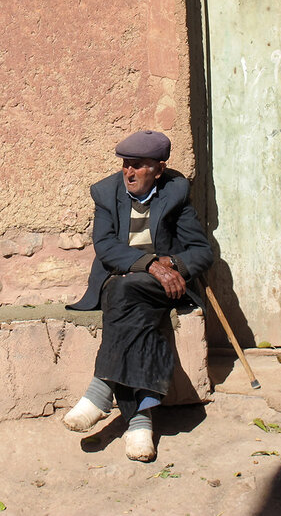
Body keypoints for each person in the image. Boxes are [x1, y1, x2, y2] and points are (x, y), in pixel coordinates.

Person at [64, 130, 213, 462]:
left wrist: (171, 264)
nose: (128, 173)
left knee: (125, 292)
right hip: (122, 281)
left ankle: (101, 391)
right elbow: (106, 248)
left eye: (138, 166)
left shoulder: (175, 192)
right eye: (125, 165)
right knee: (127, 297)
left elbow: (202, 252)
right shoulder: (106, 193)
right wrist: (149, 264)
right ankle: (140, 422)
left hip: (162, 287)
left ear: (158, 170)